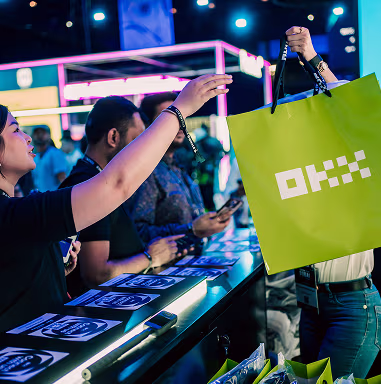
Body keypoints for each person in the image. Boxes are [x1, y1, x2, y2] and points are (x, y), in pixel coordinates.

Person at [0, 73, 233, 332]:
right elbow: (117, 185)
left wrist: (55, 268)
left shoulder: (17, 208)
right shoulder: (12, 212)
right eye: (16, 129)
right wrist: (179, 109)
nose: (28, 137)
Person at [286, 26, 380, 378]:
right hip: (310, 304)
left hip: (353, 306)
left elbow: (352, 105)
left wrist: (312, 59)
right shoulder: (297, 173)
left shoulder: (358, 165)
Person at [60, 96, 185, 296]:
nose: (142, 151)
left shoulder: (92, 178)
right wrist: (150, 257)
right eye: (137, 141)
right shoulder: (90, 185)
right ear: (113, 138)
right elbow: (96, 274)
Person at [128, 92, 231, 244]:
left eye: (181, 117)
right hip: (167, 265)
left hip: (192, 260)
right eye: (169, 119)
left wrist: (209, 223)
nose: (180, 125)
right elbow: (138, 232)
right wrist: (191, 229)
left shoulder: (177, 165)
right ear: (148, 125)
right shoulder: (146, 171)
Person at [31, 125, 68, 191]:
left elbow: (63, 179)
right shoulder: (35, 157)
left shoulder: (55, 153)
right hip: (40, 197)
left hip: (54, 197)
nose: (40, 135)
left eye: (43, 133)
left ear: (49, 135)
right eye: (37, 133)